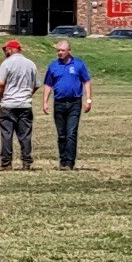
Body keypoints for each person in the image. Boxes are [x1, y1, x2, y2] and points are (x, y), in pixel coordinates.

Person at [42, 39, 93, 170]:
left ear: (69, 51)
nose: (59, 53)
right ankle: (62, 161)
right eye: (58, 50)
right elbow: (48, 84)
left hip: (74, 103)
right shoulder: (53, 66)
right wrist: (45, 102)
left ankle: (70, 162)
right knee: (61, 134)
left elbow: (86, 81)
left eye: (62, 50)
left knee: (71, 133)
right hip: (59, 103)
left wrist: (88, 99)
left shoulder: (78, 65)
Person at [0, 39, 41, 171]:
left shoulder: (7, 64)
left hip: (8, 104)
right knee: (25, 135)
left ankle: (6, 163)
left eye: (5, 49)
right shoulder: (31, 64)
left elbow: (0, 84)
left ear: (11, 49)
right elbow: (36, 85)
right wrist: (27, 95)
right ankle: (26, 162)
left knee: (7, 134)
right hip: (25, 105)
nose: (4, 52)